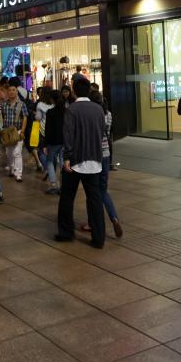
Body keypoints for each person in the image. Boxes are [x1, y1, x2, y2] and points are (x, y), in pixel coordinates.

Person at [55, 78, 105, 248]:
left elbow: (68, 136)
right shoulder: (98, 109)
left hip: (75, 161)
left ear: (74, 91)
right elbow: (102, 133)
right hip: (95, 160)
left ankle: (66, 233)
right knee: (95, 199)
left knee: (67, 197)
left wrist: (67, 157)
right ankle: (99, 238)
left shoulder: (72, 110)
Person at [84, 92, 123, 238]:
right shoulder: (108, 114)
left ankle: (91, 223)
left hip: (94, 155)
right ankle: (114, 218)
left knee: (91, 192)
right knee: (103, 190)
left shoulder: (91, 114)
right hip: (106, 154)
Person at [1, 84, 28, 182]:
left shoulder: (21, 104)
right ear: (7, 92)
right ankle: (12, 169)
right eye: (10, 90)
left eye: (14, 90)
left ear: (17, 92)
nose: (11, 92)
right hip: (7, 132)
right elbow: (2, 116)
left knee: (17, 152)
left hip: (18, 131)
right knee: (9, 153)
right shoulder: (4, 104)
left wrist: (23, 131)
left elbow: (25, 117)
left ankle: (18, 174)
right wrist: (2, 129)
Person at [42, 90, 64, 195]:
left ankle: (53, 185)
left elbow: (48, 130)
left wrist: (45, 144)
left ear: (52, 99)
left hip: (53, 141)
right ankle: (64, 185)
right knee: (63, 162)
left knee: (50, 161)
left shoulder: (50, 112)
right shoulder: (67, 111)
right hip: (64, 140)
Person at [35, 86, 54, 180]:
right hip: (53, 131)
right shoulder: (54, 104)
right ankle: (52, 170)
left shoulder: (40, 104)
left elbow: (38, 118)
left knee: (41, 152)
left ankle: (47, 168)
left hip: (43, 131)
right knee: (52, 152)